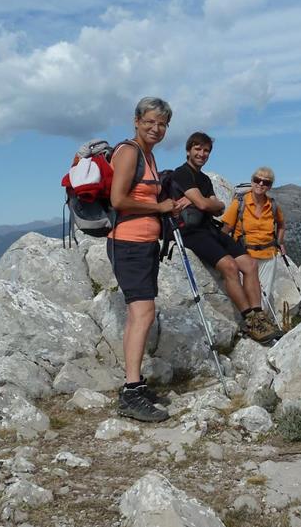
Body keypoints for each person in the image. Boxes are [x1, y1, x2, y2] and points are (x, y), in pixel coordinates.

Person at [108, 97, 188, 423]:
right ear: (136, 121)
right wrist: (159, 208)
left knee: (137, 316)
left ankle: (135, 385)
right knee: (143, 314)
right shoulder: (129, 152)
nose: (156, 128)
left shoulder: (148, 155)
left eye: (162, 124)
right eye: (150, 122)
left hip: (142, 244)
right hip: (129, 244)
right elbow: (118, 199)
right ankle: (130, 393)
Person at [171, 132, 280, 344]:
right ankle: (250, 321)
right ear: (188, 150)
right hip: (191, 232)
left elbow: (218, 207)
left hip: (210, 228)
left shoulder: (203, 179)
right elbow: (205, 204)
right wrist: (204, 202)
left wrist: (201, 201)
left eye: (206, 150)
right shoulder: (182, 174)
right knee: (230, 266)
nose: (202, 154)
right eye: (197, 149)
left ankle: (259, 316)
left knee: (249, 264)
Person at [221, 166, 286, 317]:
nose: (261, 184)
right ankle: (250, 323)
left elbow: (282, 225)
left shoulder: (273, 206)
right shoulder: (239, 203)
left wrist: (280, 242)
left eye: (266, 182)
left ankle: (260, 324)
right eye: (257, 180)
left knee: (263, 296)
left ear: (270, 186)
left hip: (268, 256)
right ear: (252, 181)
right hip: (244, 255)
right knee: (247, 294)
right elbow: (226, 229)